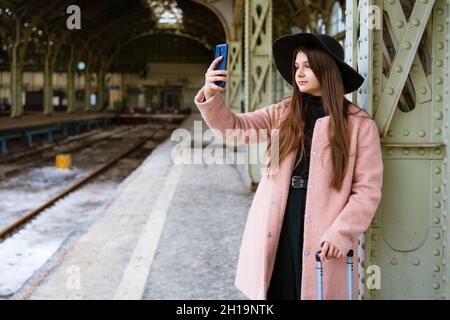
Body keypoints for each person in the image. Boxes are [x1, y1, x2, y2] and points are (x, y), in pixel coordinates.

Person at [194, 33, 383, 300]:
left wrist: (342, 233)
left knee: (311, 290)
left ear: (327, 69)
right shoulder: (283, 112)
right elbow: (235, 128)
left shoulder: (359, 126)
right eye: (296, 67)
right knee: (277, 288)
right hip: (279, 216)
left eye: (307, 66)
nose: (299, 73)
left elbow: (367, 191)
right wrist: (211, 94)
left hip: (325, 225)